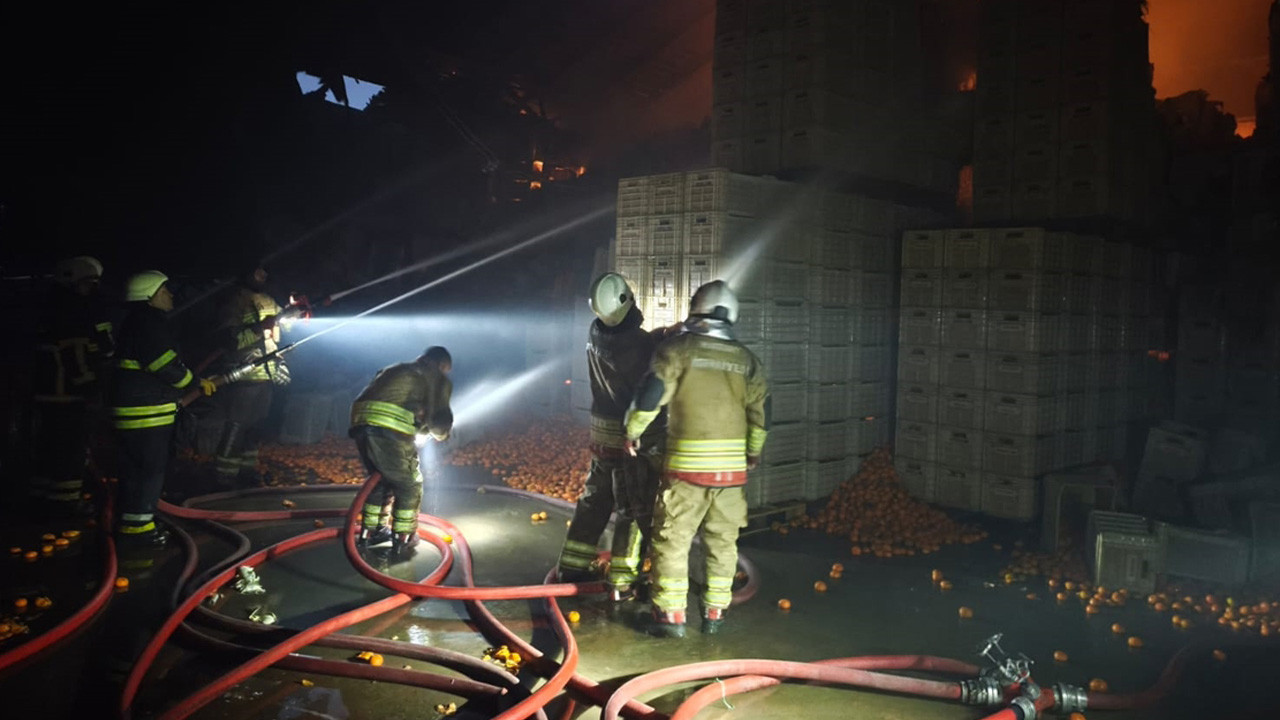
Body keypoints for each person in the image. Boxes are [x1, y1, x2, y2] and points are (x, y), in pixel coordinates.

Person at [624, 280, 769, 638]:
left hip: (686, 472)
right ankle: (715, 614)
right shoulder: (748, 361)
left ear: (695, 309)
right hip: (731, 475)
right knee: (723, 543)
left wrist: (632, 431)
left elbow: (649, 397)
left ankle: (671, 617)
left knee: (672, 540)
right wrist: (752, 453)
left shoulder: (676, 351)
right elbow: (761, 414)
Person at [556, 272, 668, 600]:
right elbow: (647, 367)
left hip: (600, 429)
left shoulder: (597, 330)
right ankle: (622, 579)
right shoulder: (637, 344)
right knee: (631, 504)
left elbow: (634, 343)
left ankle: (572, 565)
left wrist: (658, 335)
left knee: (595, 498)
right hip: (627, 434)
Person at [109, 271, 216, 546]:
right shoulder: (148, 323)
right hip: (147, 414)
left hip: (136, 411)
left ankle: (133, 521)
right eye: (165, 290)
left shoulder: (136, 322)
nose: (170, 295)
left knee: (135, 471)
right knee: (149, 471)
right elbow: (163, 364)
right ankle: (138, 532)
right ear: (150, 294)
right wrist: (193, 382)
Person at [28, 256, 116, 516]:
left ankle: (41, 499)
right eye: (89, 284)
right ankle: (65, 503)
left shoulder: (53, 308)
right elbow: (77, 355)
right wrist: (89, 388)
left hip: (48, 392)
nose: (92, 290)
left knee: (49, 448)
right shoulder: (73, 312)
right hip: (67, 393)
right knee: (69, 450)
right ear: (73, 282)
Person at [349, 346, 453, 557]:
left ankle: (370, 532)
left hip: (360, 424)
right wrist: (442, 435)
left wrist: (418, 426)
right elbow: (439, 420)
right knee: (409, 483)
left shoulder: (395, 369)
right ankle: (403, 537)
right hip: (390, 430)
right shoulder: (436, 377)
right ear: (441, 365)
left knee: (381, 479)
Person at [212, 265, 289, 487]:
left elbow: (286, 325)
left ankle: (246, 472)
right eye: (257, 272)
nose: (261, 276)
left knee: (256, 427)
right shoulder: (234, 302)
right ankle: (224, 476)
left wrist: (295, 310)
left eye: (264, 272)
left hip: (266, 374)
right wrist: (258, 328)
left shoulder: (268, 300)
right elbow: (230, 341)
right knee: (237, 426)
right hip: (242, 375)